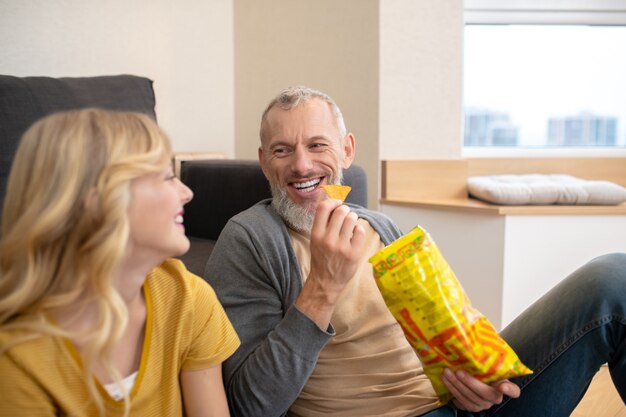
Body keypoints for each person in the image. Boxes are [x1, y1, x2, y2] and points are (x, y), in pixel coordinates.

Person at [205, 85, 626, 417]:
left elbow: (450, 327)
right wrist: (321, 288)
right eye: (282, 150)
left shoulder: (380, 226)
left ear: (347, 151)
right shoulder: (250, 240)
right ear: (264, 162)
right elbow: (249, 406)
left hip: (461, 406)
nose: (301, 165)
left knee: (613, 278)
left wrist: (473, 380)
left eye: (317, 145)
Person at [0, 108, 240, 417]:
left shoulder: (189, 299)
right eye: (167, 177)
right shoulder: (18, 356)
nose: (187, 192)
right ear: (101, 204)